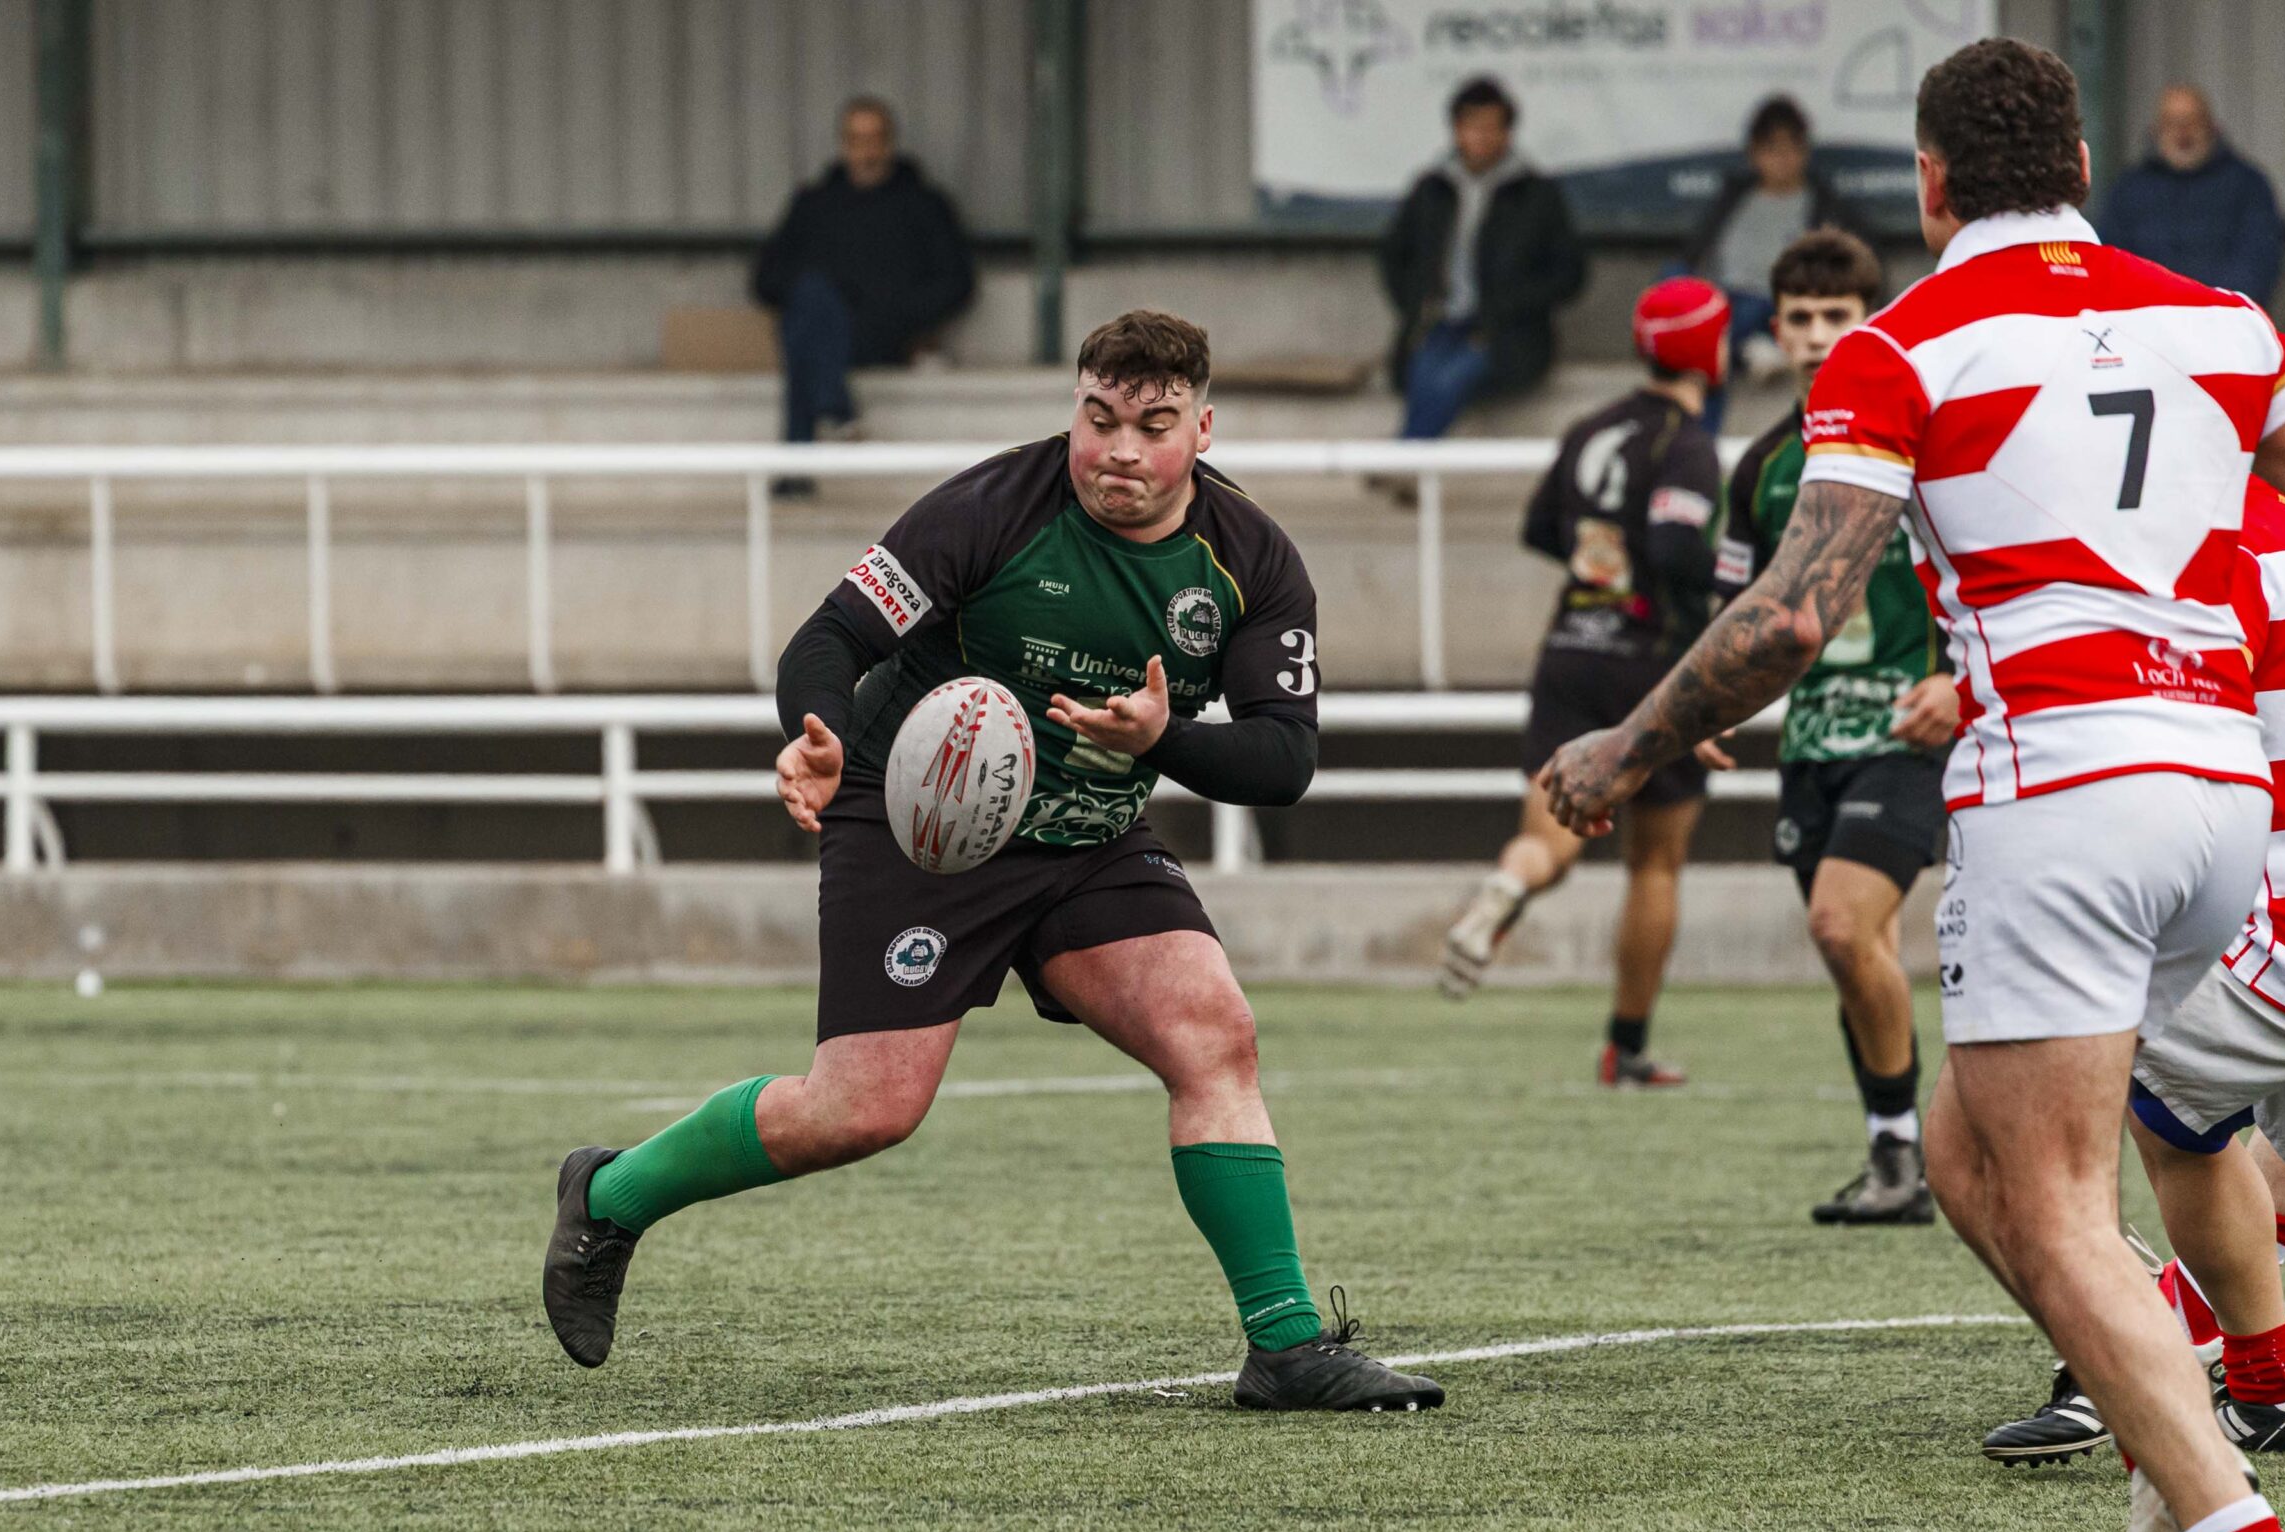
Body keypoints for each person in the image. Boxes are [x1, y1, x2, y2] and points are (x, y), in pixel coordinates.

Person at [1537, 37, 2285, 1532]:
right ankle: (2189, 1471)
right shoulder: (2219, 318)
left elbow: (1794, 613)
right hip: (2219, 798)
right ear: (2088, 166)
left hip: (2065, 789)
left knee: (2049, 1201)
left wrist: (1622, 749)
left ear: (1931, 182)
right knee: (1969, 1154)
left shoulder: (1899, 345)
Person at [541, 311, 1444, 1415]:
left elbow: (1282, 759)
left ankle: (1286, 1346)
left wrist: (1162, 742)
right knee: (861, 1111)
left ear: (1201, 429)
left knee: (1215, 1035)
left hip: (1090, 836)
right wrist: (818, 732)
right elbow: (828, 642)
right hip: (922, 826)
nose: (1118, 449)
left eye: (1152, 426)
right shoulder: (990, 508)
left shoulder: (1251, 560)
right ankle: (612, 1195)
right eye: (1097, 417)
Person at [1985, 435, 2285, 1488]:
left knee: (2075, 1085)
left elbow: (2166, 781)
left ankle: (2168, 1358)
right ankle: (2244, 1369)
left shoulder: (2213, 559)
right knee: (2177, 1109)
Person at [1710, 230, 1956, 1224]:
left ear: (1872, 322)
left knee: (1839, 922)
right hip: (1811, 740)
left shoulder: (1927, 441)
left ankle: (1907, 1156)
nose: (1817, 337)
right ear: (1776, 329)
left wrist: (1959, 682)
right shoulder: (1761, 469)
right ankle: (1893, 1154)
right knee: (1856, 951)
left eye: (1837, 318)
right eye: (1800, 320)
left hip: (1910, 729)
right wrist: (1703, 712)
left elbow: (1985, 575)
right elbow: (1737, 614)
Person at [1438, 279, 1725, 1089]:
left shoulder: (1589, 427)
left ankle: (1509, 881)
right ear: (1711, 350)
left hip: (1569, 646)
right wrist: (1732, 582)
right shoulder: (1687, 442)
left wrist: (1601, 570)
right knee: (1655, 863)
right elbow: (1674, 552)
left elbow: (1539, 527)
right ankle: (1624, 1046)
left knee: (1550, 836)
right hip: (1651, 664)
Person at [750, 96, 977, 489]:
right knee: (810, 305)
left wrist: (900, 312)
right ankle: (833, 406)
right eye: (857, 139)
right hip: (827, 332)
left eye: (875, 139)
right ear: (843, 144)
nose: (867, 151)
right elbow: (765, 278)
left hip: (887, 335)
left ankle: (799, 461)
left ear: (890, 143)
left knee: (803, 331)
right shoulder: (814, 204)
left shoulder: (922, 204)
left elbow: (958, 280)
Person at [1378, 77, 1586, 441]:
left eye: (1492, 127)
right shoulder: (1432, 189)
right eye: (1473, 127)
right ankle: (1408, 465)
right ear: (1457, 130)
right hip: (1438, 322)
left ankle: (1403, 459)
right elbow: (1394, 254)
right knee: (1423, 374)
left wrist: (1514, 304)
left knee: (1451, 378)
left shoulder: (1535, 194)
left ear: (1508, 133)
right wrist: (1414, 301)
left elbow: (1569, 273)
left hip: (1504, 331)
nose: (1482, 137)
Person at [1680, 94, 1866, 429]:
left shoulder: (1824, 205)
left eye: (1791, 148)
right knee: (1678, 285)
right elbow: (1696, 256)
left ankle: (1746, 350)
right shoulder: (1734, 198)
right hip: (1724, 301)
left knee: (1719, 339)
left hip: (1779, 304)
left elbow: (1857, 269)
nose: (1782, 159)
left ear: (1805, 151)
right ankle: (1745, 352)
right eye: (1771, 148)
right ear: (1754, 152)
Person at [2095, 84, 2283, 306]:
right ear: (2156, 131)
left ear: (2212, 127)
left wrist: (2212, 307)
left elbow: (2257, 261)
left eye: (2192, 121)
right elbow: (2110, 263)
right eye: (2172, 123)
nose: (2182, 131)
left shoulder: (2248, 187)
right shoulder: (2128, 190)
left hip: (2223, 323)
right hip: (2146, 324)